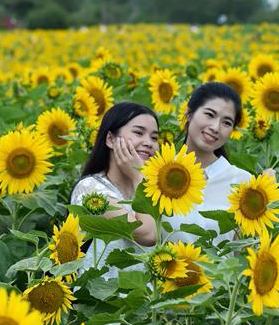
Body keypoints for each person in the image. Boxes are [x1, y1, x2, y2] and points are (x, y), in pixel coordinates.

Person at [162, 82, 260, 245]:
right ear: (189, 113)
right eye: (210, 115)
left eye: (227, 123)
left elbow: (244, 254)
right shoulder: (157, 172)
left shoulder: (243, 183)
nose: (215, 127)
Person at [70, 102, 159, 275]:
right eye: (139, 133)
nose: (149, 143)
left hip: (145, 299)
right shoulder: (91, 190)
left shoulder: (151, 189)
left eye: (154, 138)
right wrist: (137, 175)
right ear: (110, 139)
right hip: (102, 300)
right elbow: (148, 235)